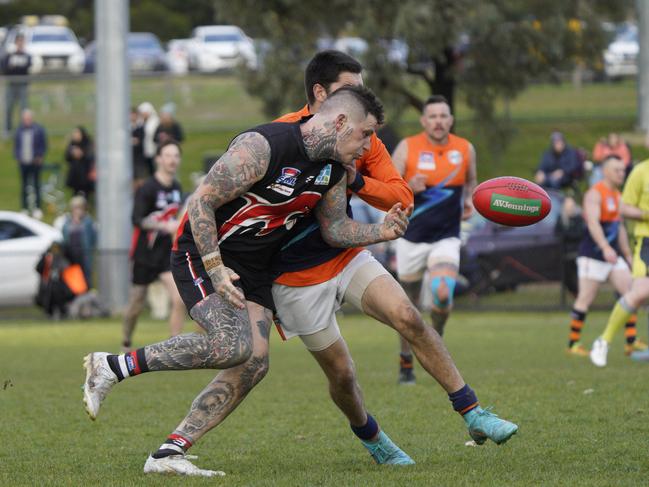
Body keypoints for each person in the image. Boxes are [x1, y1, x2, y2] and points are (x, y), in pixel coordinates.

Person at [172, 51, 516, 470]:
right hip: (293, 277)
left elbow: (401, 196)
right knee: (343, 376)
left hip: (346, 253)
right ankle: (372, 436)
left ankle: (473, 412)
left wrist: (353, 177)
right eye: (348, 88)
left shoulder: (361, 135)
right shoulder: (276, 136)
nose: (358, 97)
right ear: (321, 94)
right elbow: (217, 202)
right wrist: (215, 263)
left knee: (408, 316)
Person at [83, 86, 413, 477]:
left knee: (254, 363)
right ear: (340, 122)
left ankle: (168, 453)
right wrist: (215, 265)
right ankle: (111, 365)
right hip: (202, 252)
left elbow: (335, 229)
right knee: (233, 346)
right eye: (365, 134)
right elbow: (201, 202)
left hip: (255, 269)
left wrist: (383, 231)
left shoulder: (335, 170)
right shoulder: (263, 146)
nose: (368, 146)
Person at [391, 94, 477, 383]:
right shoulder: (407, 148)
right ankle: (406, 363)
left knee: (442, 293)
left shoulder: (465, 149)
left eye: (444, 116)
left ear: (451, 120)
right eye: (433, 116)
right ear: (424, 121)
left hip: (446, 237)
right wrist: (408, 188)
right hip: (411, 237)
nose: (439, 121)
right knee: (407, 308)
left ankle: (433, 341)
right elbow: (386, 189)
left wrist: (470, 202)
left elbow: (472, 183)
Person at [565, 156, 646, 357]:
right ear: (606, 171)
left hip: (613, 256)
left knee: (631, 292)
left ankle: (631, 341)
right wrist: (604, 247)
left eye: (622, 170)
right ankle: (573, 344)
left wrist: (626, 254)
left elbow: (618, 229)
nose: (622, 173)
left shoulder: (618, 195)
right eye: (617, 170)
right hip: (593, 255)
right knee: (585, 298)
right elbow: (593, 223)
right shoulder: (595, 193)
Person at [121, 140, 186, 351]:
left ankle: (174, 345)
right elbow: (136, 219)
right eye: (168, 155)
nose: (172, 160)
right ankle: (126, 341)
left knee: (179, 298)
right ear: (158, 159)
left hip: (165, 256)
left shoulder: (177, 188)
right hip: (144, 255)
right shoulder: (147, 188)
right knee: (136, 306)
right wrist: (164, 225)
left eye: (176, 155)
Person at [590, 156, 649, 366]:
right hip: (646, 241)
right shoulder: (641, 171)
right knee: (641, 291)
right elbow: (623, 209)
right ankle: (604, 340)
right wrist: (646, 214)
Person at [56, 195, 97, 287]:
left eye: (79, 207)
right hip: (71, 254)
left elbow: (94, 237)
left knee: (86, 276)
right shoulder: (67, 221)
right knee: (73, 277)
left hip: (84, 253)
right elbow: (63, 235)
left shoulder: (88, 221)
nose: (77, 210)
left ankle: (87, 295)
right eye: (75, 208)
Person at [13, 109, 47, 219]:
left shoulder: (38, 130)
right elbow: (16, 146)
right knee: (24, 185)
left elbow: (43, 145)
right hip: (24, 162)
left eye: (28, 118)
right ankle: (24, 208)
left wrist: (40, 156)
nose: (27, 120)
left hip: (35, 162)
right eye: (25, 119)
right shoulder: (19, 131)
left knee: (36, 185)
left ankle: (37, 208)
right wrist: (18, 157)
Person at [2, 33, 31, 136]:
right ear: (15, 42)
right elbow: (6, 69)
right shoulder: (10, 55)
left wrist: (15, 67)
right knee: (8, 108)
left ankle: (23, 130)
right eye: (18, 41)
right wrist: (14, 68)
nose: (20, 43)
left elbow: (26, 69)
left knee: (24, 109)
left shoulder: (27, 56)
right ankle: (8, 130)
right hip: (11, 85)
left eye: (22, 41)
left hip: (22, 85)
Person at [64, 126, 95, 197]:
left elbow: (90, 157)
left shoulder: (87, 143)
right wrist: (71, 153)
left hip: (85, 176)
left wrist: (82, 154)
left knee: (85, 195)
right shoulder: (72, 144)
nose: (75, 135)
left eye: (77, 133)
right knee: (75, 195)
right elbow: (66, 158)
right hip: (74, 176)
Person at [138, 102, 159, 176]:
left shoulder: (155, 121)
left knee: (154, 169)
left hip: (153, 150)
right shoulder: (141, 122)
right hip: (143, 151)